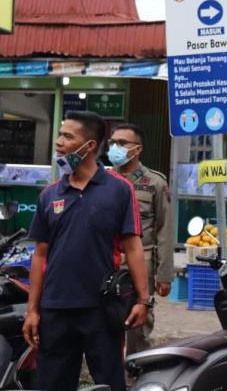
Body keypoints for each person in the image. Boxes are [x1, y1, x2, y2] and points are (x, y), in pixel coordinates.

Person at [22, 111, 150, 391]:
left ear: (89, 146)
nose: (58, 142)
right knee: (52, 384)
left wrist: (143, 299)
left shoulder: (119, 190)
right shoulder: (49, 194)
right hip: (55, 309)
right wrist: (33, 309)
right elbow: (40, 254)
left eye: (68, 136)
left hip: (101, 309)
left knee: (109, 383)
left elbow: (132, 246)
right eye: (59, 134)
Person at [108, 123, 175, 355]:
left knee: (138, 323)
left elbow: (165, 229)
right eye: (112, 142)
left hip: (142, 259)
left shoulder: (155, 183)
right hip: (108, 259)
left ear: (138, 149)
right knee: (105, 319)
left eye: (122, 143)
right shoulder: (103, 180)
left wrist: (165, 274)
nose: (115, 147)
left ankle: (135, 373)